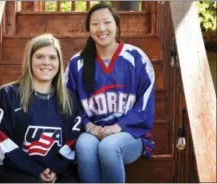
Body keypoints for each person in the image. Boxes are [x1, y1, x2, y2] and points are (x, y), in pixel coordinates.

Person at [65, 2, 155, 183]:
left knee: (108, 147)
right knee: (83, 145)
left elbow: (145, 105)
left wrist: (118, 127)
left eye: (107, 22)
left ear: (116, 25)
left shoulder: (136, 58)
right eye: (95, 24)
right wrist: (89, 126)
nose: (101, 28)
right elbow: (69, 106)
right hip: (92, 131)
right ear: (89, 29)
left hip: (130, 133)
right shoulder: (77, 63)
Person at [0, 33, 82, 183]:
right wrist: (36, 170)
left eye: (52, 57)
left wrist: (54, 170)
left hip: (57, 174)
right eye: (39, 57)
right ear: (29, 60)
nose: (46, 62)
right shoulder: (8, 95)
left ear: (59, 63)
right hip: (16, 174)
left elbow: (73, 141)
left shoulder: (70, 100)